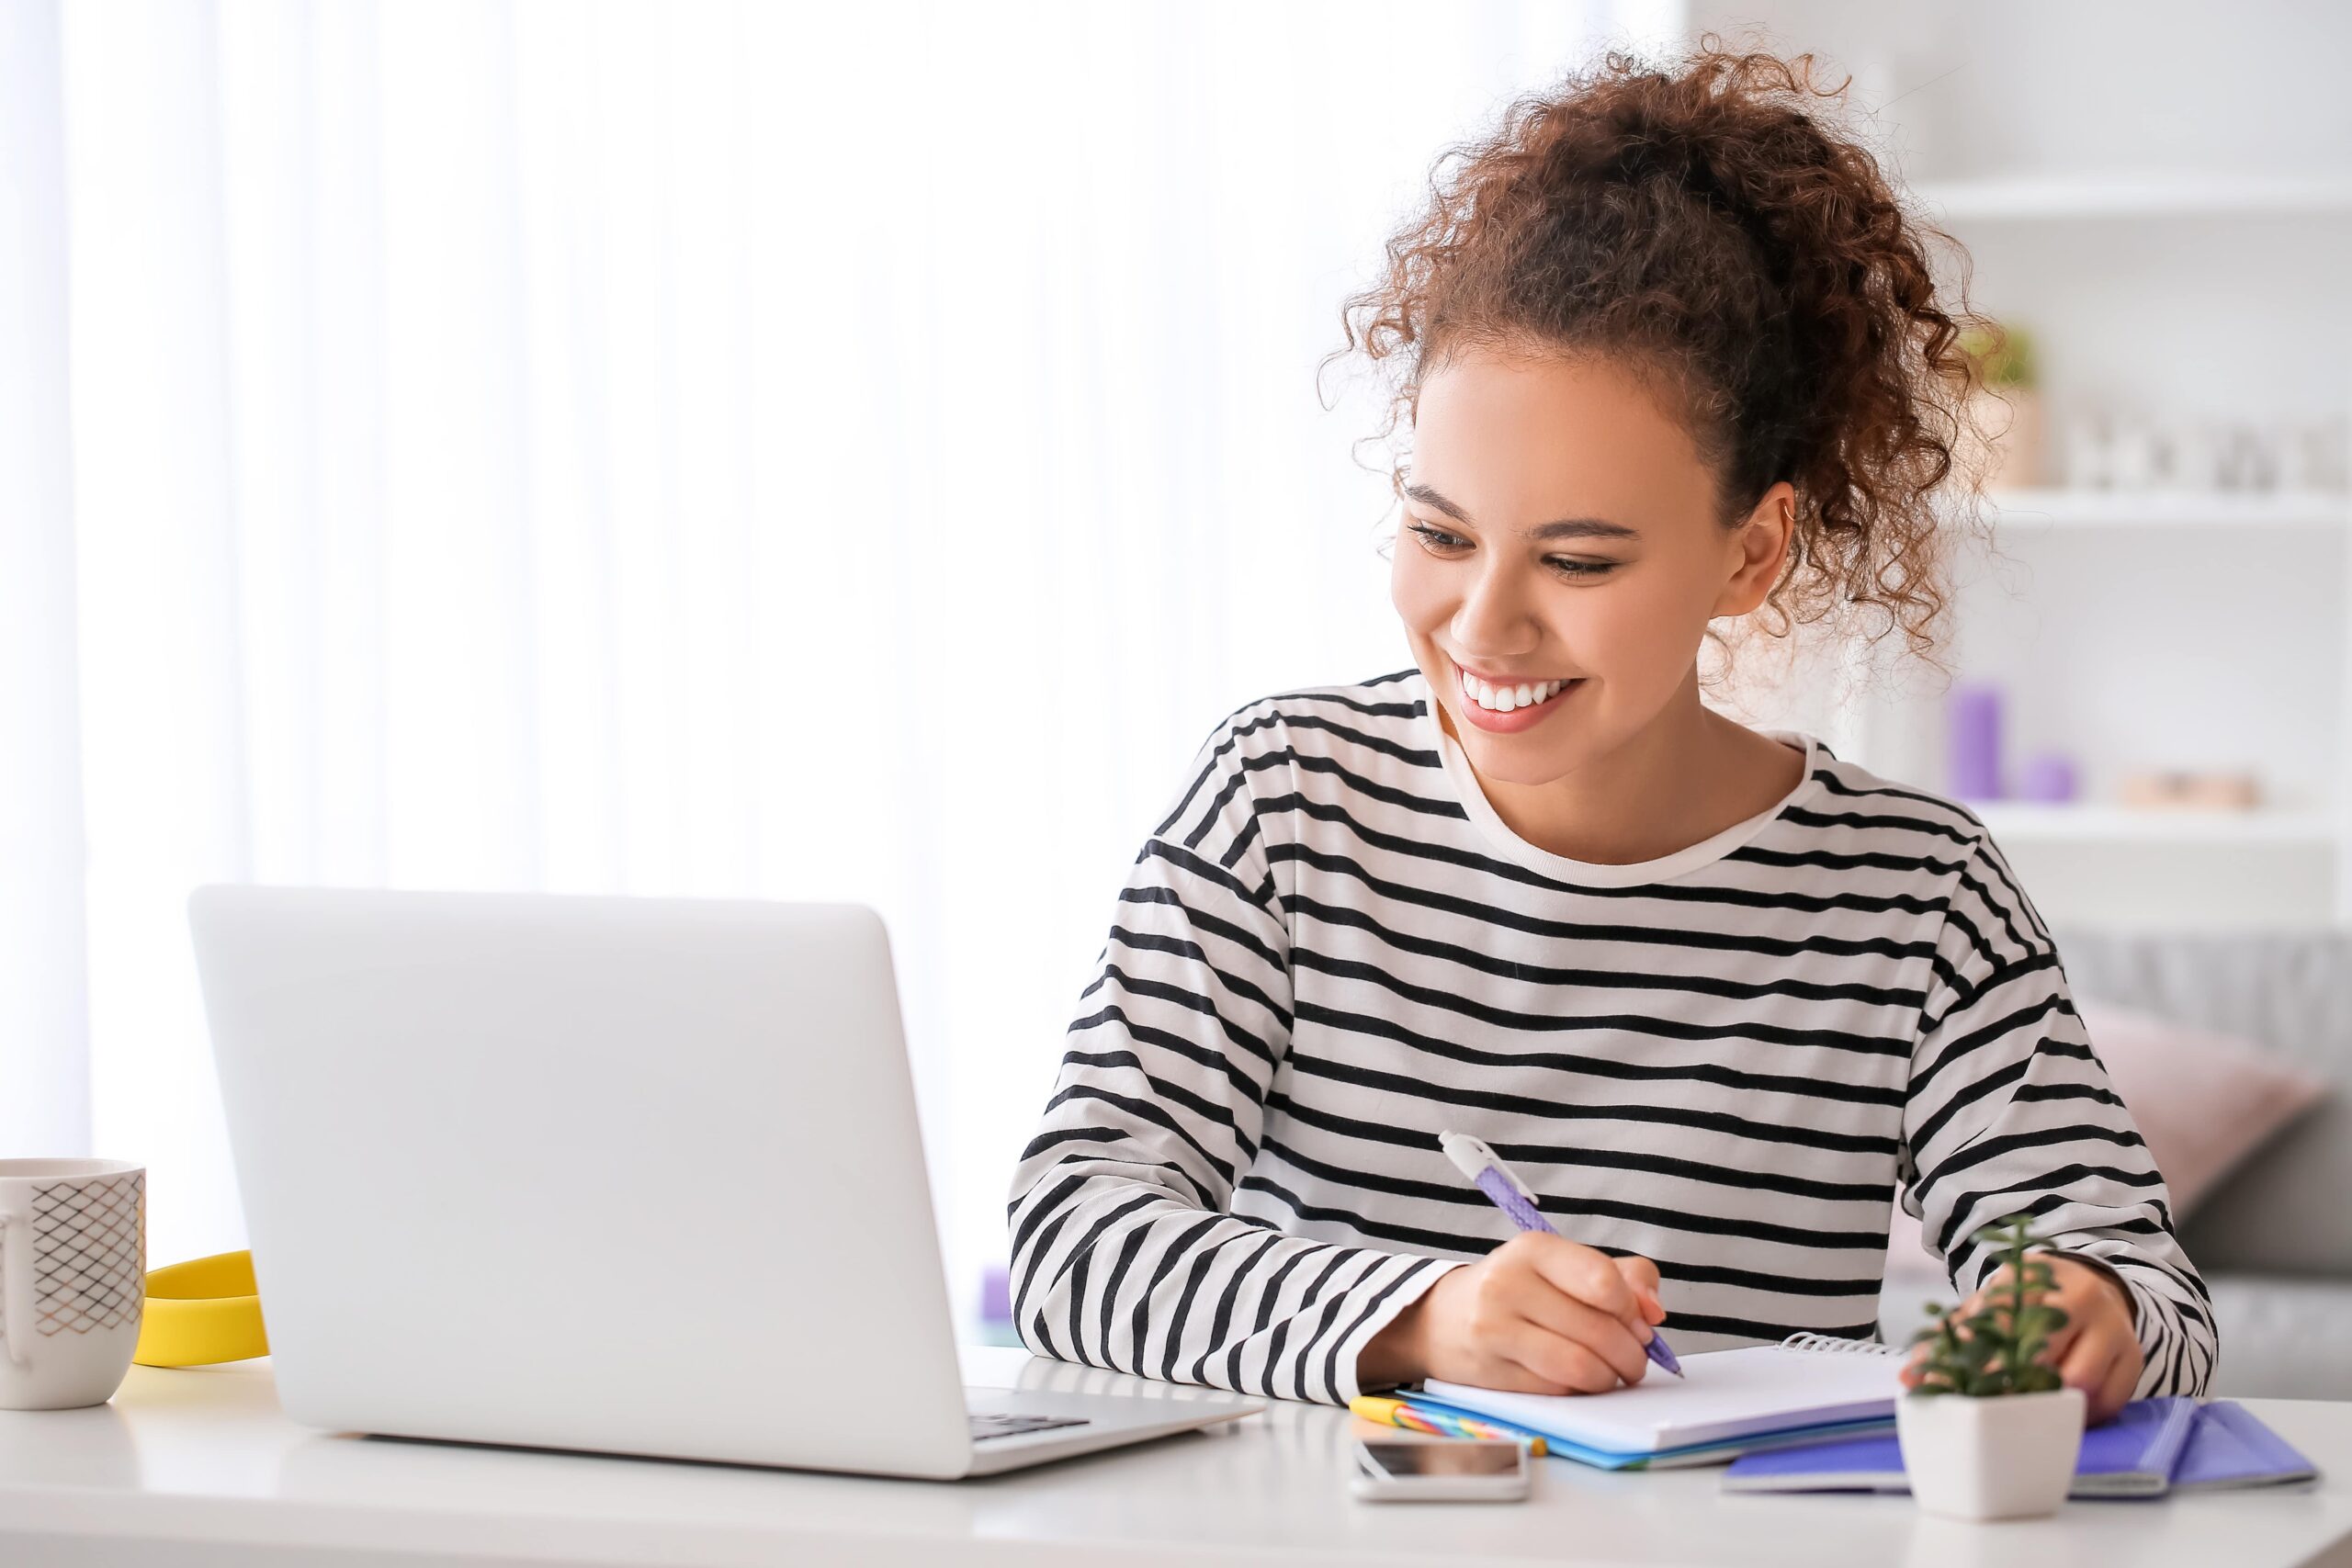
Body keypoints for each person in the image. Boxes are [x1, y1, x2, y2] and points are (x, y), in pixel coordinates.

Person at [1003, 39, 2215, 1425]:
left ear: (1752, 556)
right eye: (1438, 533)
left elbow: (2145, 1286)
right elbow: (1071, 1235)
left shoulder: (1914, 896)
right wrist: (1423, 1315)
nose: (1484, 625)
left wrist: (2082, 1307)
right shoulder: (1286, 803)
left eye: (1579, 563)